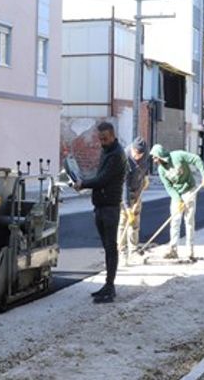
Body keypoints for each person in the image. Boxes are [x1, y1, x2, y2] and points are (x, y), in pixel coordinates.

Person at [74, 122, 126, 303]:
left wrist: (83, 184)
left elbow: (103, 179)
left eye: (105, 138)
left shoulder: (116, 155)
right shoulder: (107, 151)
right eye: (100, 138)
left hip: (110, 207)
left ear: (112, 135)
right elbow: (99, 176)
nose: (102, 142)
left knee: (111, 247)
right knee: (107, 247)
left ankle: (110, 287)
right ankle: (107, 285)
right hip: (102, 206)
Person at [149, 144, 204, 262]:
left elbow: (196, 159)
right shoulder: (161, 170)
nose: (154, 160)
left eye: (155, 157)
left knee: (189, 221)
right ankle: (173, 250)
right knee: (175, 221)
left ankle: (189, 251)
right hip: (177, 193)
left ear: (161, 156)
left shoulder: (178, 156)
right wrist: (178, 199)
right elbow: (169, 187)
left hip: (189, 190)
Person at [118, 137, 149, 264]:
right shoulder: (124, 158)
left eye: (140, 154)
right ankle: (122, 252)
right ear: (132, 149)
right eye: (136, 154)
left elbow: (145, 166)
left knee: (135, 222)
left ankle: (133, 251)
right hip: (123, 190)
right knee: (124, 221)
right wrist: (127, 207)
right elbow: (123, 184)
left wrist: (146, 178)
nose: (138, 157)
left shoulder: (145, 154)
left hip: (137, 189)